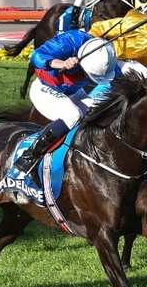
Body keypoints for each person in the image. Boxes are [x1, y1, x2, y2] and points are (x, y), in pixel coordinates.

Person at [13, 33, 119, 187]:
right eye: (87, 75)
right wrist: (61, 63)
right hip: (44, 88)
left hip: (72, 92)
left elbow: (120, 75)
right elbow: (37, 56)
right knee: (73, 115)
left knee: (99, 111)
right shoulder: (71, 41)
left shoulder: (104, 54)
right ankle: (28, 158)